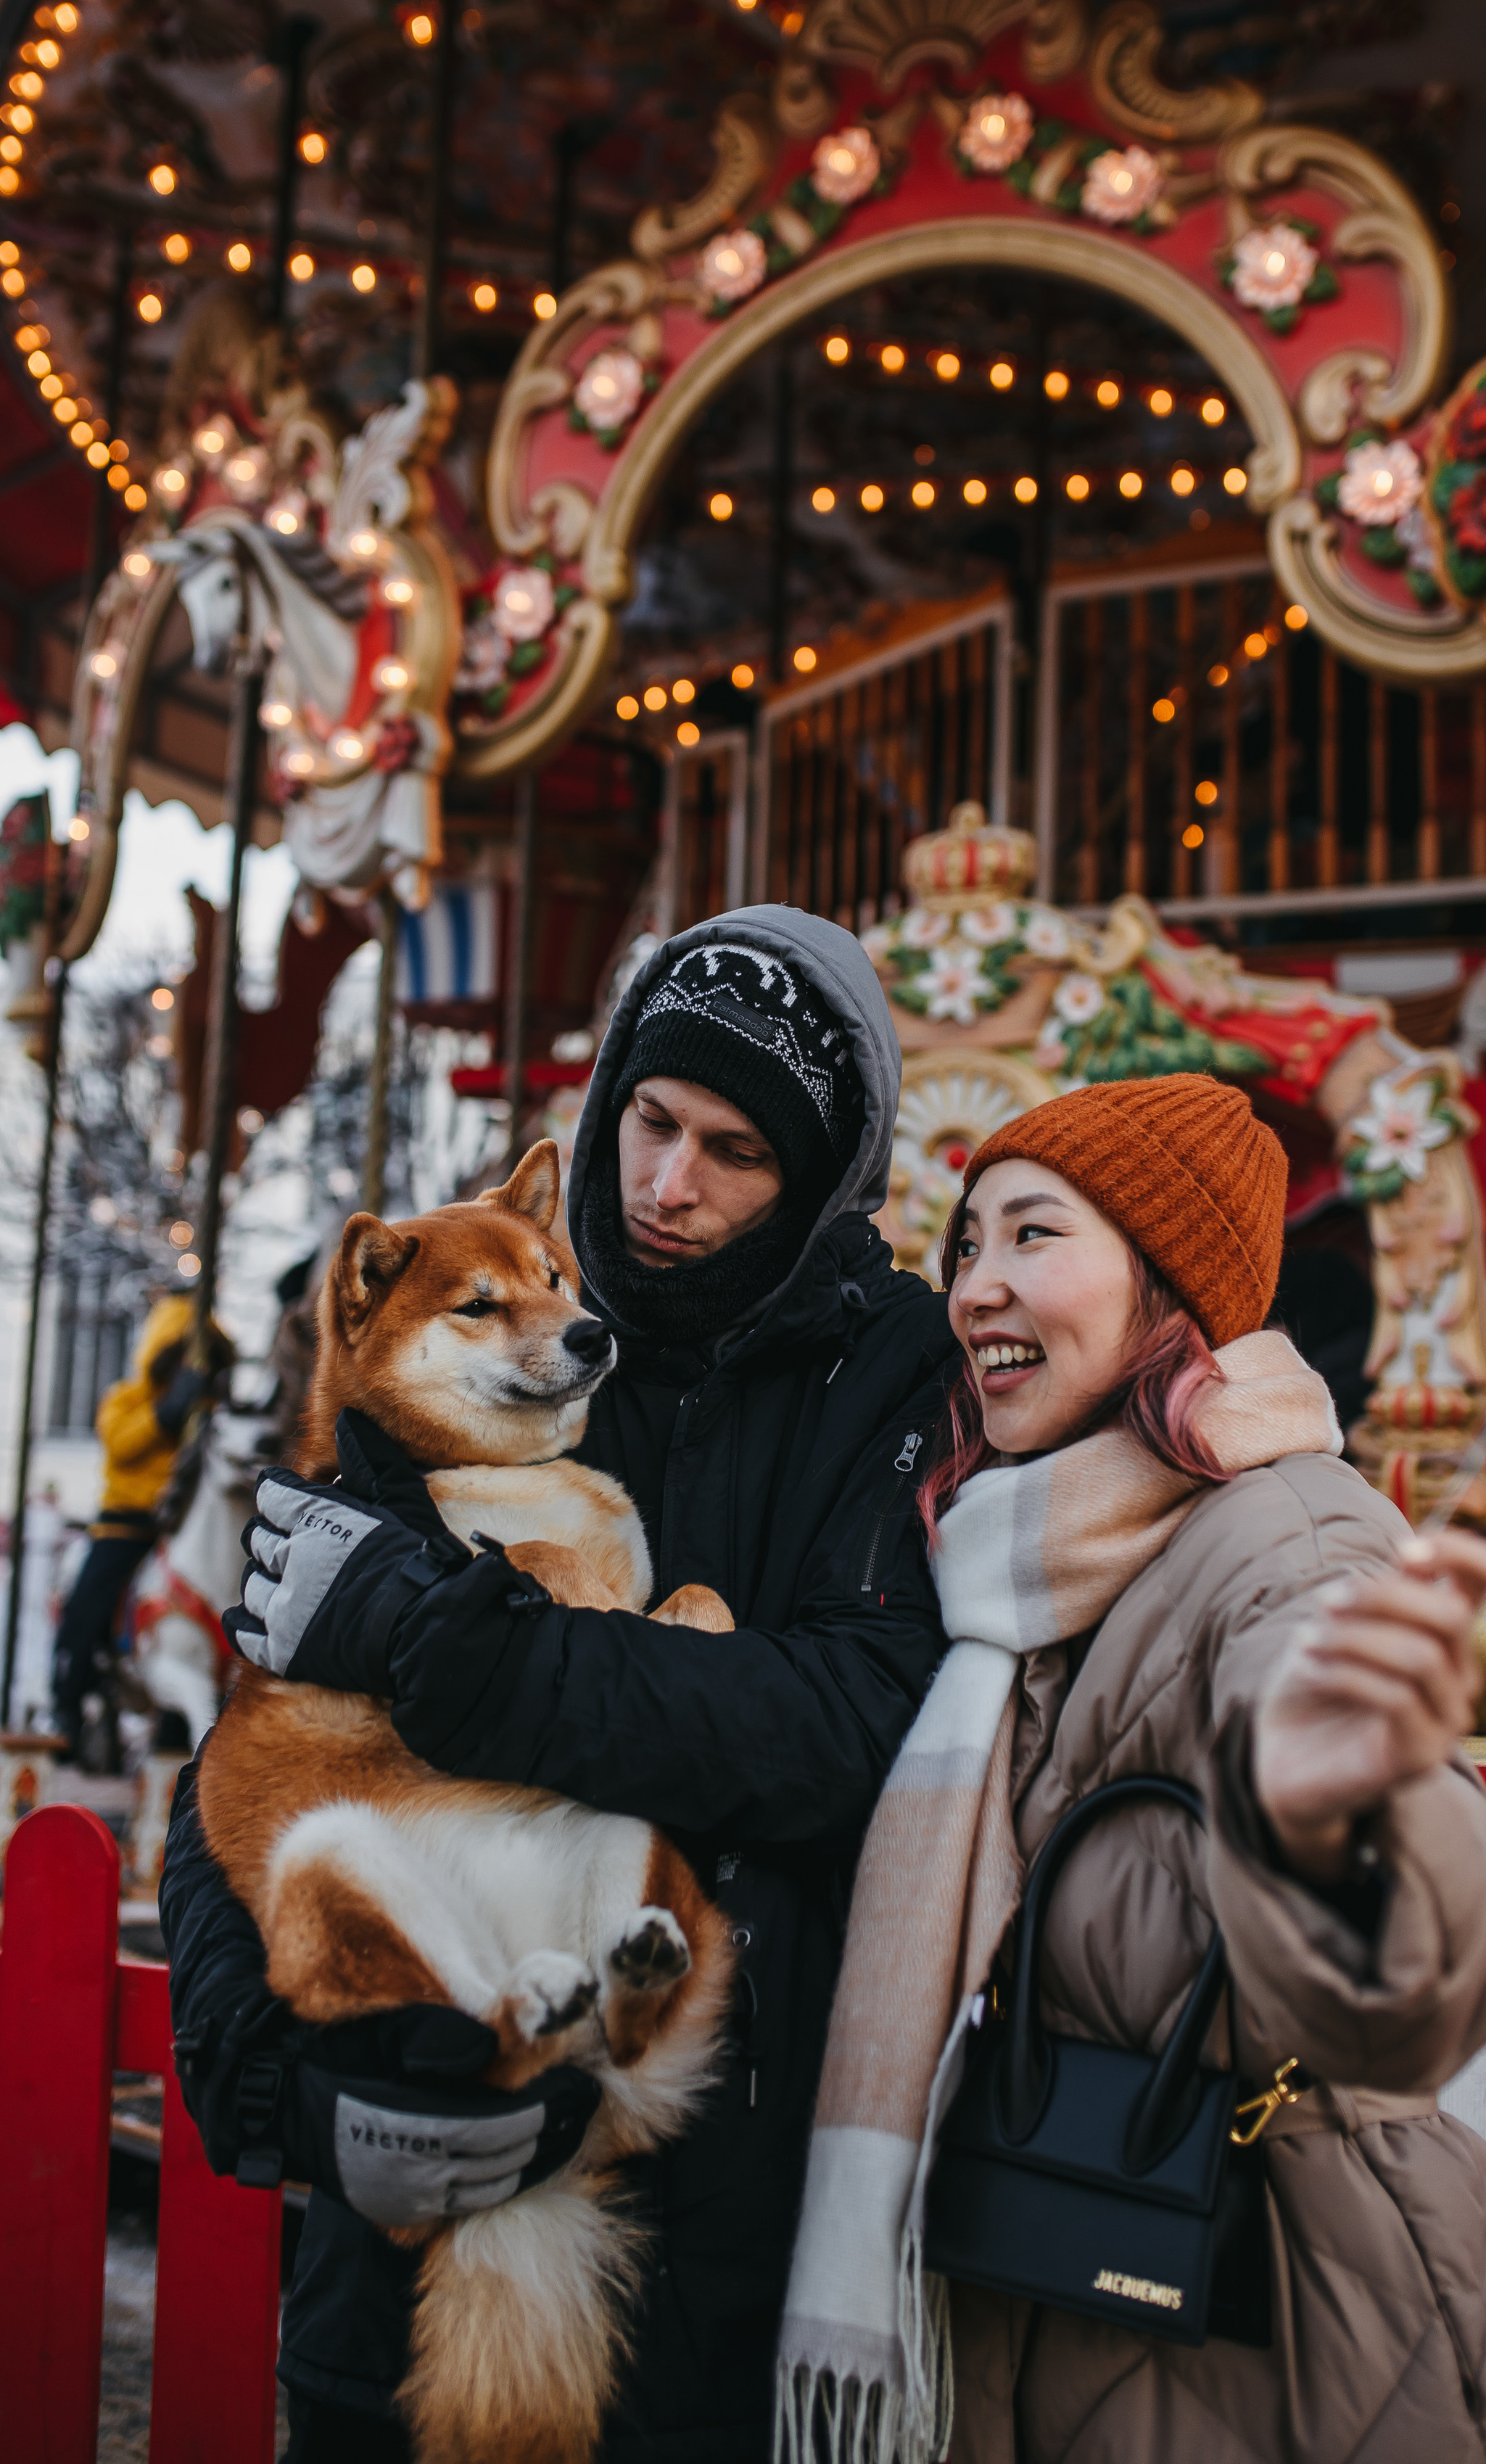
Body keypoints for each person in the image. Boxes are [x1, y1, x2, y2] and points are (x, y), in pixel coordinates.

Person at [160, 907, 958, 2463]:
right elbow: (263, 1757)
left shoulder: (893, 1375)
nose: (667, 1186)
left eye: (735, 1152)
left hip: (718, 2262)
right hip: (401, 2263)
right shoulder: (461, 1324)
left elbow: (850, 1725)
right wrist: (278, 2082)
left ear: (814, 1179)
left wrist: (453, 1649)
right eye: (651, 1121)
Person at [777, 1074, 1486, 2464]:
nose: (974, 1287)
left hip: (1295, 2330)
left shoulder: (1292, 1540)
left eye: (1035, 1234)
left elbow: (1410, 1939)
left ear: (1172, 1278)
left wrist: (1329, 1827)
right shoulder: (1030, 1558)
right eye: (966, 1243)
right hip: (1075, 2295)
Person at [50, 1292, 227, 1758]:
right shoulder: (125, 1399)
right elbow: (121, 1444)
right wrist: (166, 1413)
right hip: (129, 1524)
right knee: (90, 1603)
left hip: (185, 1523)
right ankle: (67, 1699)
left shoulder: (208, 1411)